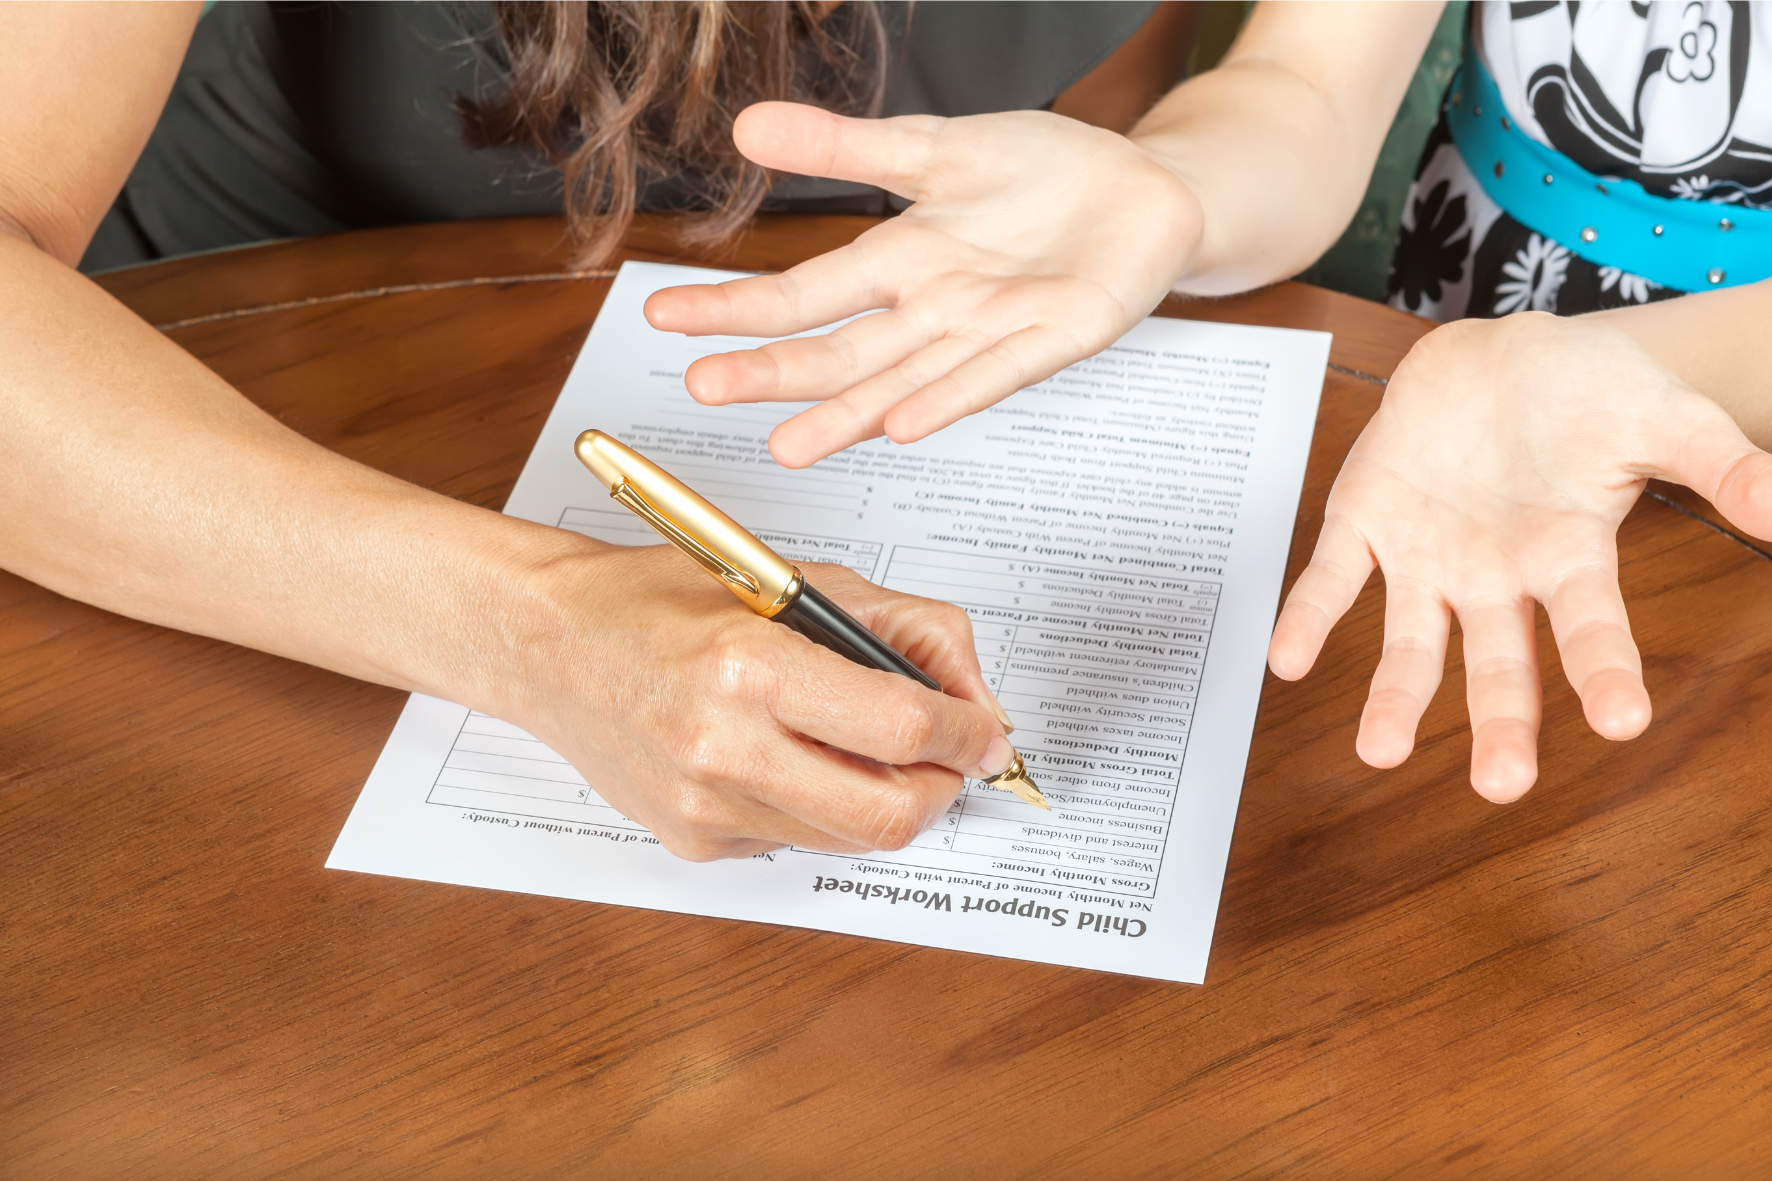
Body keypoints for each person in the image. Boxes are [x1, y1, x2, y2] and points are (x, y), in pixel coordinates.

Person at [4, 2, 1763, 867]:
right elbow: (1283, 109)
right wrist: (536, 623)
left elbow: (1228, 106)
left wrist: (1159, 189)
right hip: (197, 494)